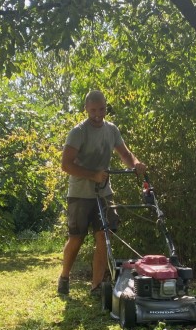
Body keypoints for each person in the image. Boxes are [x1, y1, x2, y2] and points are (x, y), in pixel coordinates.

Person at [57, 90, 147, 296]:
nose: (98, 114)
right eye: (94, 110)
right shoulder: (78, 132)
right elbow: (66, 165)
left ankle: (96, 286)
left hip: (104, 193)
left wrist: (136, 164)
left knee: (103, 236)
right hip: (80, 193)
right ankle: (64, 276)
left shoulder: (111, 130)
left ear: (106, 107)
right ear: (86, 109)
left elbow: (124, 153)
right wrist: (92, 175)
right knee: (76, 238)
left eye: (102, 109)